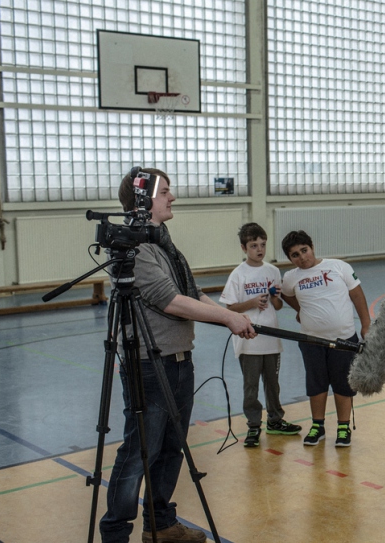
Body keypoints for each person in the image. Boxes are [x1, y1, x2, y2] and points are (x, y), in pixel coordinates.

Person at [100, 168, 256, 543]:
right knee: (141, 450)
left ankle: (160, 524)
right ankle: (115, 532)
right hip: (149, 366)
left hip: (178, 358)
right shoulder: (134, 249)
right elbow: (171, 301)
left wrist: (230, 316)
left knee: (172, 446)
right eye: (165, 192)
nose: (172, 198)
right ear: (143, 200)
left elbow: (191, 291)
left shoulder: (162, 243)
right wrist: (227, 316)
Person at [279, 230, 371, 448]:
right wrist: (301, 310)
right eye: (295, 255)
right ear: (289, 258)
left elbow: (357, 295)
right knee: (316, 382)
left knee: (343, 383)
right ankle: (317, 426)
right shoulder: (291, 277)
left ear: (312, 247)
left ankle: (343, 427)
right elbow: (285, 295)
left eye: (304, 250)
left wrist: (366, 324)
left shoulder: (339, 267)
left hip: (344, 339)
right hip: (311, 341)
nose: (302, 257)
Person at [219, 223, 302, 447]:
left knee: (273, 384)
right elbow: (230, 309)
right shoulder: (238, 274)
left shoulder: (273, 271)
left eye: (263, 245)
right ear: (244, 248)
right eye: (254, 245)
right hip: (249, 341)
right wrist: (252, 302)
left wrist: (274, 297)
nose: (259, 249)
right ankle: (253, 426)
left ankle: (275, 420)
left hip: (271, 340)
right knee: (251, 386)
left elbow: (277, 305)